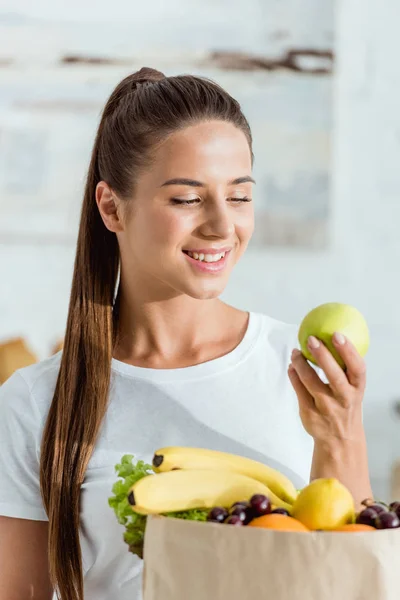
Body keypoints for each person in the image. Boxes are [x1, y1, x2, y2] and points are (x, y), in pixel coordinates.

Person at [0, 67, 372, 600]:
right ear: (111, 207)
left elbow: (355, 583)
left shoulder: (299, 368)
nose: (223, 226)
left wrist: (340, 433)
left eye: (239, 196)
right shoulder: (35, 403)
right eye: (187, 199)